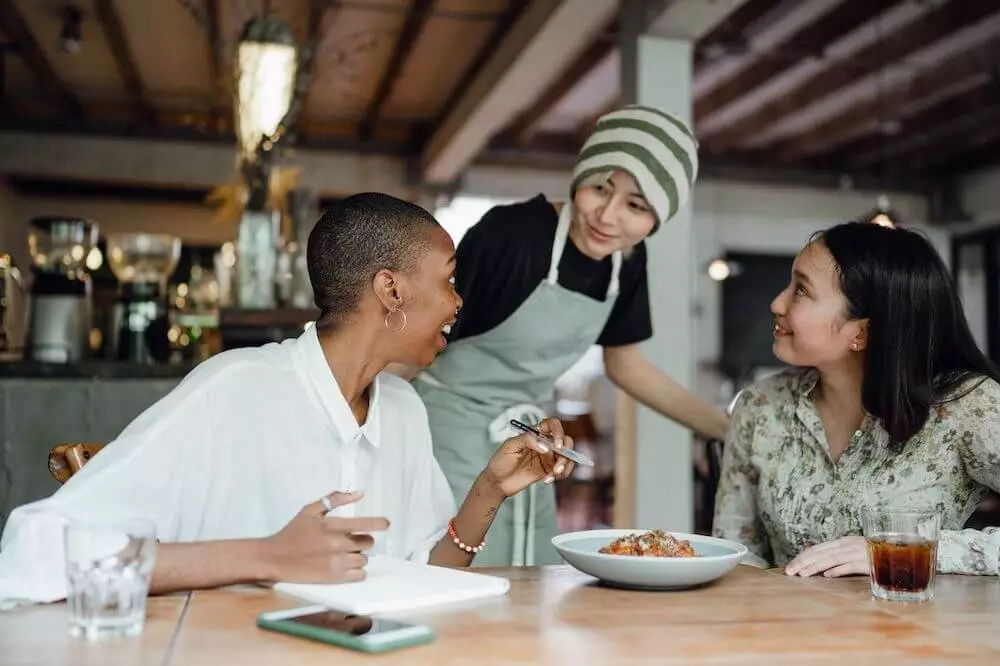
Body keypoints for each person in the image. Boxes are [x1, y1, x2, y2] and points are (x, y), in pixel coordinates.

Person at [0, 193, 577, 608]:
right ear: (392, 289)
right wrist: (265, 555)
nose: (458, 302)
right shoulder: (234, 388)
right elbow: (34, 549)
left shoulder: (403, 409)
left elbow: (422, 579)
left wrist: (490, 489)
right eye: (449, 279)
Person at [392, 105, 729, 567]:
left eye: (635, 206)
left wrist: (730, 430)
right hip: (442, 431)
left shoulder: (626, 264)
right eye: (600, 189)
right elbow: (414, 343)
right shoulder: (510, 236)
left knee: (525, 578)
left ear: (658, 218)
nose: (608, 217)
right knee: (450, 571)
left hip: (527, 437)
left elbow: (625, 366)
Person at [713, 221, 1000, 577]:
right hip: (786, 629)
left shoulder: (967, 406)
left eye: (801, 290)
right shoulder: (759, 406)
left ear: (862, 332)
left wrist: (902, 551)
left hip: (917, 629)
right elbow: (735, 555)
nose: (777, 302)